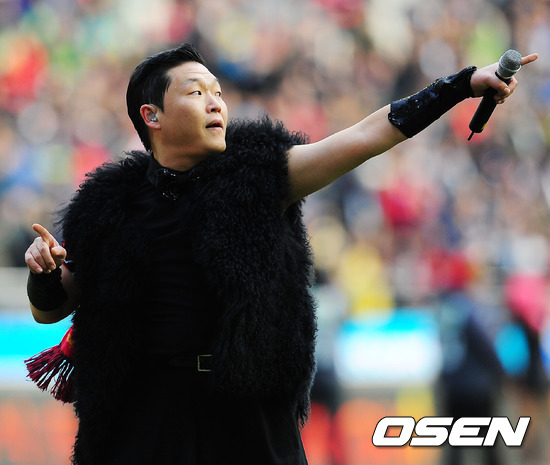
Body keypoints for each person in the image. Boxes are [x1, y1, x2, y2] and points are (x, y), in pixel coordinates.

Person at [24, 43, 537, 465]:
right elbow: (52, 309)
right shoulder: (107, 205)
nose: (216, 103)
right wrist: (44, 274)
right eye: (197, 92)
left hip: (246, 413)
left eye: (218, 92)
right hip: (146, 416)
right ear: (151, 115)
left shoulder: (261, 175)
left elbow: (368, 135)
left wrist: (461, 85)